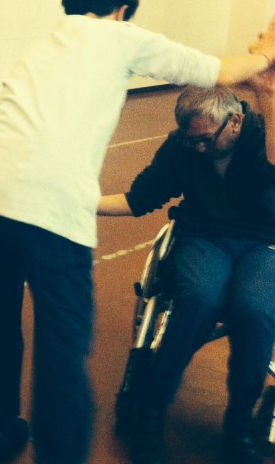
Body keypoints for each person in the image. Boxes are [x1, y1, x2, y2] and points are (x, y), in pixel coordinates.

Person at [0, 0, 275, 464]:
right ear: (122, 10)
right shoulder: (119, 37)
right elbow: (219, 71)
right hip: (47, 198)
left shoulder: (44, 47)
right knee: (63, 338)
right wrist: (267, 50)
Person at [98, 83, 275, 464]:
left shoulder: (264, 137)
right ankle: (151, 413)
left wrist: (269, 91)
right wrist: (80, 204)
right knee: (199, 299)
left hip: (262, 242)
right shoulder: (182, 146)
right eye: (191, 140)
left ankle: (239, 427)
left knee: (255, 311)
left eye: (206, 140)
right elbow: (139, 198)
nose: (199, 149)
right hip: (204, 237)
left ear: (236, 121)